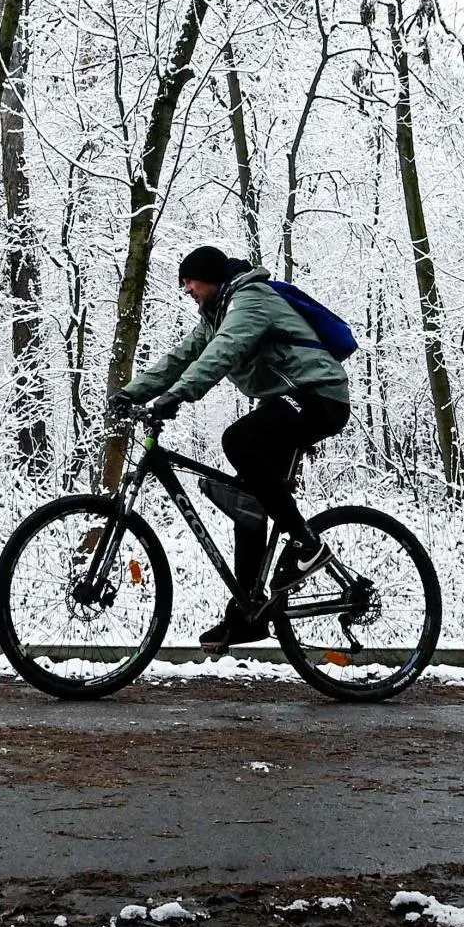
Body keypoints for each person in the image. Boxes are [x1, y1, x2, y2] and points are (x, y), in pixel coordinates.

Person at [110, 244, 351, 649]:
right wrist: (132, 394)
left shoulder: (251, 301)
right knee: (248, 503)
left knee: (238, 439)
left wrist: (177, 397)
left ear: (211, 278)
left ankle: (308, 544)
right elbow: (181, 358)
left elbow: (222, 353)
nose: (186, 289)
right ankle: (248, 616)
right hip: (287, 401)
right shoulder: (215, 315)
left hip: (319, 396)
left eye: (191, 282)